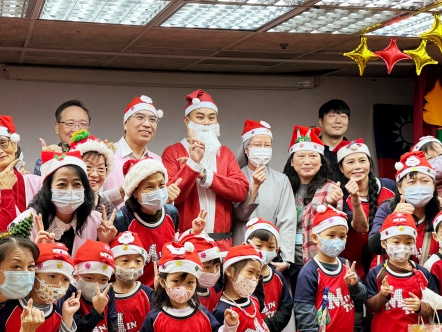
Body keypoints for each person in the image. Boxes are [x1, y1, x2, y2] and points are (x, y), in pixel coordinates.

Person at [329, 138, 395, 332]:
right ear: (341, 169)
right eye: (350, 162)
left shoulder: (389, 188)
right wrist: (354, 200)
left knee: (374, 320)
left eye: (362, 160)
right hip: (351, 264)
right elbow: (360, 228)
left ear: (370, 162)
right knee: (354, 321)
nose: (357, 166)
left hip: (382, 265)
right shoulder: (338, 194)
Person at [161, 89, 249, 247]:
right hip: (186, 243)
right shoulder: (173, 152)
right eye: (200, 117)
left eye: (212, 117)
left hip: (222, 243)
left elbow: (241, 191)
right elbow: (170, 197)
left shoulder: (225, 153)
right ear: (187, 120)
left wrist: (205, 175)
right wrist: (192, 166)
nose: (207, 122)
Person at [233, 120, 297, 267]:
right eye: (257, 145)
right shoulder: (235, 177)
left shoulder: (281, 180)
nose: (262, 149)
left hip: (271, 252)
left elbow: (287, 220)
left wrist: (285, 259)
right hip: (240, 247)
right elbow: (237, 214)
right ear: (246, 150)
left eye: (267, 145)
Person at [26, 148, 112, 252]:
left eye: (77, 184)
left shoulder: (95, 222)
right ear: (48, 188)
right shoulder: (27, 222)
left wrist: (104, 243)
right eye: (62, 184)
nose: (70, 191)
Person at [368, 151, 442, 265]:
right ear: (399, 188)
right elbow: (374, 247)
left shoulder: (441, 213)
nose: (419, 186)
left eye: (425, 181)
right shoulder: (387, 208)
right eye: (412, 182)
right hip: (391, 274)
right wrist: (393, 219)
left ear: (433, 185)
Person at [114, 157, 180, 288]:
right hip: (134, 293)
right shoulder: (121, 219)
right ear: (134, 192)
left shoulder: (172, 213)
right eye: (150, 186)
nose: (158, 191)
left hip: (164, 291)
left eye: (161, 185)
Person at [0, 114, 42, 234]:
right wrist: (6, 190)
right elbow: (3, 234)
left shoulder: (38, 182)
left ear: (14, 145)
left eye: (3, 143)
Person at [287, 126, 337, 266]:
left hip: (317, 258)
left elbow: (336, 227)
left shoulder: (331, 188)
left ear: (321, 162)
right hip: (286, 258)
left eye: (313, 156)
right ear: (291, 162)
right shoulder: (284, 187)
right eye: (301, 156)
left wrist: (332, 203)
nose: (307, 161)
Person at [102, 95, 164, 205]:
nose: (147, 124)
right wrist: (121, 191)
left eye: (152, 120)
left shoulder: (156, 160)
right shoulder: (106, 154)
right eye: (140, 117)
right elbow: (92, 198)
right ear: (125, 123)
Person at [35, 100, 91, 175]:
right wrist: (47, 161)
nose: (77, 130)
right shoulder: (45, 161)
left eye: (83, 124)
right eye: (70, 123)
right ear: (57, 128)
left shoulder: (99, 159)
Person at [70, 132, 118, 220]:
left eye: (100, 169)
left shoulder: (109, 208)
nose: (95, 174)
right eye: (88, 167)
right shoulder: (64, 203)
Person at [318, 99, 350, 176]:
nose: (338, 121)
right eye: (332, 116)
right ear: (321, 121)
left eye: (343, 116)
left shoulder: (356, 151)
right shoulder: (308, 151)